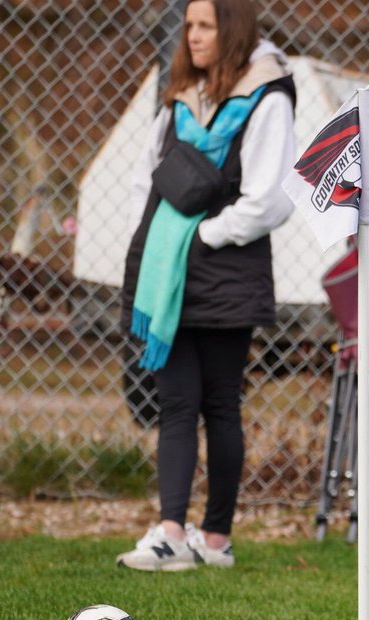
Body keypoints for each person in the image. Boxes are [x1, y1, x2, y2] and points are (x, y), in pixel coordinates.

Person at [115, 0, 297, 571]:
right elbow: (150, 173)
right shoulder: (179, 100)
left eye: (205, 26)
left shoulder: (267, 94)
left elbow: (269, 199)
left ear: (233, 29)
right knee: (175, 403)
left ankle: (215, 539)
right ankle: (171, 532)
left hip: (227, 271)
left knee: (220, 404)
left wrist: (205, 236)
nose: (192, 37)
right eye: (189, 26)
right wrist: (167, 245)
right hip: (169, 271)